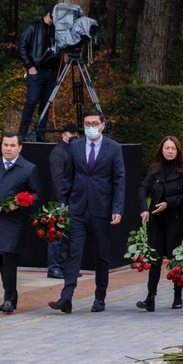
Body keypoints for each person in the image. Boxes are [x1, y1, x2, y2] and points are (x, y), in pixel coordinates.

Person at [49, 110, 125, 314]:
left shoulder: (113, 148)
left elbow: (119, 179)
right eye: (86, 123)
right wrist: (63, 205)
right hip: (78, 208)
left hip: (101, 208)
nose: (90, 126)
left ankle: (100, 297)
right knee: (74, 253)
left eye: (94, 123)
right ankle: (66, 298)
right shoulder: (75, 146)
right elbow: (68, 177)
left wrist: (117, 207)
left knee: (101, 254)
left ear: (102, 125)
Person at [0, 133, 42, 314]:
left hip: (15, 223)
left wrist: (22, 202)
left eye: (12, 145)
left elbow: (37, 195)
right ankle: (9, 294)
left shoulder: (28, 169)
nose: (8, 148)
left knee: (8, 258)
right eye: (5, 145)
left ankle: (9, 300)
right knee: (0, 260)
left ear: (20, 148)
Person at [136, 136, 183, 312]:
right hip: (157, 220)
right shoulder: (155, 169)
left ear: (178, 150)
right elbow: (143, 188)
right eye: (166, 148)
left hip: (175, 220)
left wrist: (170, 203)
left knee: (176, 260)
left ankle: (178, 295)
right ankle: (150, 297)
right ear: (161, 150)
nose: (169, 151)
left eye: (173, 148)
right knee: (155, 260)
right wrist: (144, 208)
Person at [18, 4, 58, 141]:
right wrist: (29, 66)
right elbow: (22, 46)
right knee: (32, 101)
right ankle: (22, 133)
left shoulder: (55, 30)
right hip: (36, 71)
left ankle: (41, 133)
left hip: (51, 72)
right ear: (48, 14)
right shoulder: (33, 27)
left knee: (46, 103)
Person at [46, 124, 79, 279]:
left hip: (70, 201)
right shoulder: (59, 153)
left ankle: (64, 266)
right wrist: (62, 203)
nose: (75, 136)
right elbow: (57, 180)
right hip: (60, 202)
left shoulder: (70, 151)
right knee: (56, 236)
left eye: (77, 133)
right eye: (72, 133)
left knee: (66, 236)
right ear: (64, 134)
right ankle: (54, 267)